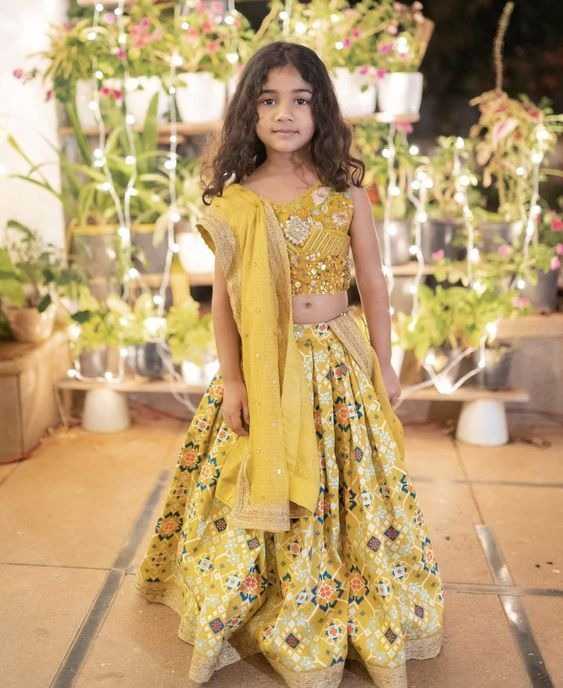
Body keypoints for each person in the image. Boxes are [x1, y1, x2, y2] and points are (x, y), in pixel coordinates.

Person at [136, 41, 444, 688]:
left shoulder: (343, 193)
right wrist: (235, 380)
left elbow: (375, 282)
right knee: (254, 484)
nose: (284, 114)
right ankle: (261, 601)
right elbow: (222, 303)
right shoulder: (235, 201)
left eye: (299, 100)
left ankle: (344, 599)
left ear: (320, 110)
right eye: (268, 100)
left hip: (335, 362)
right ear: (248, 113)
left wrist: (384, 364)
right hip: (265, 371)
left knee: (345, 490)